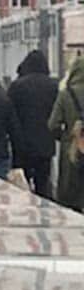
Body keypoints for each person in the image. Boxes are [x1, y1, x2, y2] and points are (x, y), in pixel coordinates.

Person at [9, 50, 59, 198]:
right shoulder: (53, 86)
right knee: (42, 182)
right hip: (45, 142)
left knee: (22, 183)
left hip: (22, 142)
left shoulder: (17, 86)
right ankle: (43, 207)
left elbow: (10, 114)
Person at [49, 56, 84, 210]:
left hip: (72, 147)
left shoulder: (65, 94)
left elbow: (53, 124)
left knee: (70, 194)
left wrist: (66, 137)